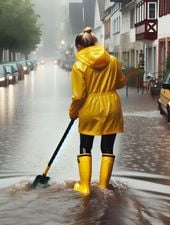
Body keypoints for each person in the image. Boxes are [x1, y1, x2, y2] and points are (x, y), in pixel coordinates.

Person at [69, 27, 127, 195]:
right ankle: (103, 187)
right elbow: (121, 83)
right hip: (112, 106)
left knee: (85, 146)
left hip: (90, 108)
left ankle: (85, 187)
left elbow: (79, 95)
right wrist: (107, 83)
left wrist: (73, 112)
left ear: (79, 46)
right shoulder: (113, 61)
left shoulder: (79, 66)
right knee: (107, 147)